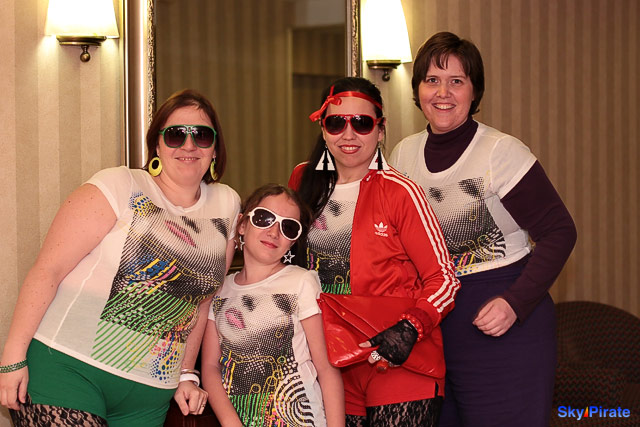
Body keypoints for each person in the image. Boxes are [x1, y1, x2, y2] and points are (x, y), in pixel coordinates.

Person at [0, 89, 241, 427]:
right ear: (156, 145)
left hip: (149, 398)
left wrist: (187, 373)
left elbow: (201, 302)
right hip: (68, 371)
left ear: (215, 148)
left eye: (201, 136)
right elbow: (48, 271)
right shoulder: (120, 185)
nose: (188, 146)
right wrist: (12, 358)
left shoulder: (226, 204)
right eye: (175, 135)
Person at [389, 31, 578, 426]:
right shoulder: (403, 154)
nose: (443, 92)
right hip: (435, 331)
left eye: (456, 81)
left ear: (474, 91)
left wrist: (514, 303)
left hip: (503, 327)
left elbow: (559, 231)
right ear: (418, 89)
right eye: (432, 80)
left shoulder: (500, 151)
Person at [289, 76, 460, 426]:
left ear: (380, 131)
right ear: (323, 129)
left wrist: (410, 328)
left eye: (362, 123)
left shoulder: (401, 192)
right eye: (336, 123)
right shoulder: (302, 182)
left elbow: (444, 279)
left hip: (398, 360)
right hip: (330, 359)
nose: (348, 134)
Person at [200, 184, 345, 426]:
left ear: (293, 242)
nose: (274, 232)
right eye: (264, 218)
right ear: (242, 225)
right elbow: (210, 367)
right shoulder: (219, 289)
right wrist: (230, 422)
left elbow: (326, 368)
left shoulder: (301, 282)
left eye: (289, 227)